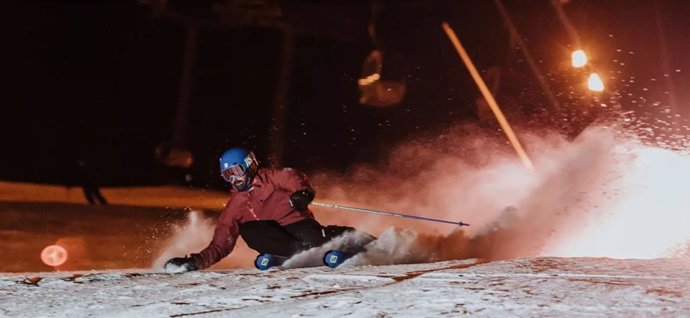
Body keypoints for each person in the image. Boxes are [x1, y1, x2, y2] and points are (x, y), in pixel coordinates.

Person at [164, 147, 368, 272]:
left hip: (297, 225)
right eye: (228, 175)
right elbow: (222, 241)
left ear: (249, 165)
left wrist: (302, 193)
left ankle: (363, 243)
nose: (234, 179)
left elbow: (291, 176)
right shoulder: (235, 204)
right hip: (279, 242)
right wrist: (197, 261)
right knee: (249, 230)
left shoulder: (270, 177)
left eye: (236, 171)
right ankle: (298, 254)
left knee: (314, 237)